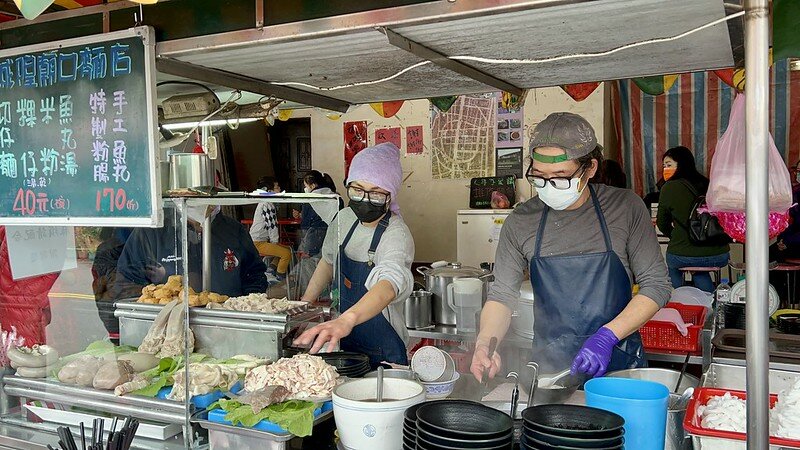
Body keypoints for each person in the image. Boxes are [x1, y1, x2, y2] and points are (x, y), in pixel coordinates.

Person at [470, 112, 671, 382]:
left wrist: (607, 336)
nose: (549, 186)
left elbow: (656, 285)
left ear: (590, 168)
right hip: (550, 367)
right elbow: (502, 296)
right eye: (539, 176)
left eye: (560, 176)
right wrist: (485, 343)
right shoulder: (520, 221)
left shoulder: (625, 208)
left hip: (619, 361)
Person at [294, 143, 415, 368]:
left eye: (376, 193)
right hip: (346, 338)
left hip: (384, 348)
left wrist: (347, 319)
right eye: (357, 190)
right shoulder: (344, 219)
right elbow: (328, 262)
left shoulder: (396, 234)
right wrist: (303, 307)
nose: (364, 199)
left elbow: (389, 283)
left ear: (390, 195)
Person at [116, 205, 268, 297]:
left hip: (226, 326)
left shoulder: (234, 230)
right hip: (169, 329)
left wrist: (246, 310)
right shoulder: (152, 232)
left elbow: (254, 275)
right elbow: (127, 282)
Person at [657, 146, 730, 292]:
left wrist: (677, 236)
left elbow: (662, 223)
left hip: (683, 255)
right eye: (664, 166)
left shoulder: (669, 188)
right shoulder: (708, 184)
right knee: (699, 270)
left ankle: (677, 298)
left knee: (673, 263)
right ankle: (710, 301)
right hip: (719, 254)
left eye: (669, 165)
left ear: (681, 164)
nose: (665, 169)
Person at [250, 176, 292, 283]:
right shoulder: (267, 204)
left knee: (287, 249)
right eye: (277, 187)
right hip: (257, 243)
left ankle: (271, 270)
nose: (279, 189)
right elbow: (272, 225)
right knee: (286, 253)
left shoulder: (265, 203)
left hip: (258, 241)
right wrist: (275, 241)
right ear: (269, 191)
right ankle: (279, 277)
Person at [772, 160, 800, 261]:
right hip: (791, 241)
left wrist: (787, 241)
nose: (797, 174)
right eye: (797, 171)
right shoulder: (796, 193)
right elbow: (789, 220)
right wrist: (782, 240)